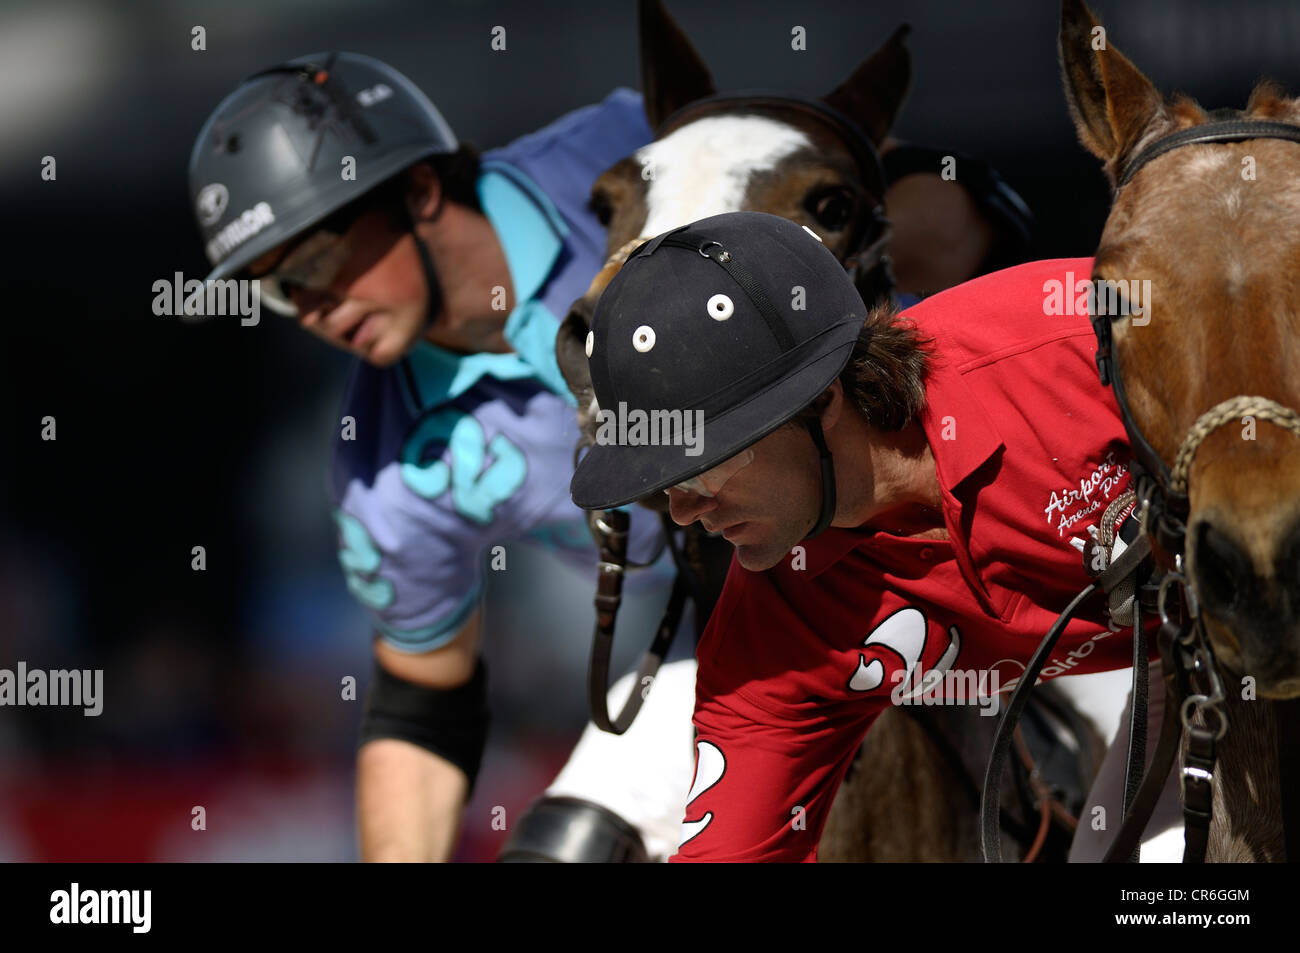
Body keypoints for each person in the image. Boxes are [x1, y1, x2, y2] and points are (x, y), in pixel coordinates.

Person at [570, 210, 1182, 862]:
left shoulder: (1088, 336)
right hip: (1175, 671)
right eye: (665, 479)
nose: (685, 510)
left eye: (702, 463)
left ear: (822, 399)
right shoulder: (774, 630)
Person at [187, 52, 664, 861]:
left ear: (418, 191)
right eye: (278, 291)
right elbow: (421, 705)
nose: (309, 312)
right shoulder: (382, 469)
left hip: (907, 524)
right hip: (731, 646)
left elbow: (872, 176)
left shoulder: (631, 144)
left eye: (313, 265)